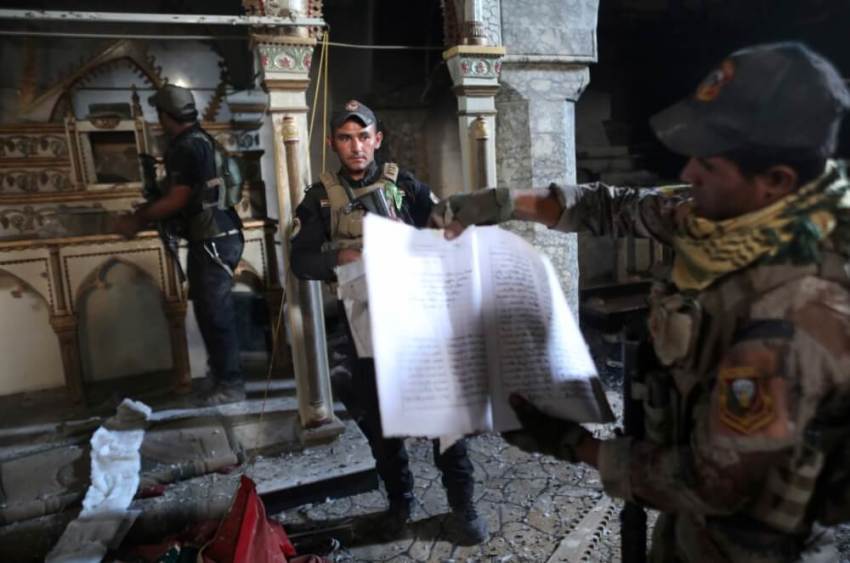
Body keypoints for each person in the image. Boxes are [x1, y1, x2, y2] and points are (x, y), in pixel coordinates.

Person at [430, 42, 850, 562]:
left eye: (709, 163)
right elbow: (618, 208)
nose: (689, 172)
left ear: (776, 182)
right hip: (691, 532)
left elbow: (710, 483)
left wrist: (573, 443)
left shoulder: (796, 314)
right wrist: (500, 203)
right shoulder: (729, 223)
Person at [290, 100, 488, 545]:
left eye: (364, 137)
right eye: (346, 138)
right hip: (363, 327)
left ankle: (465, 509)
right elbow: (300, 260)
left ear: (377, 139)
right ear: (333, 143)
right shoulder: (320, 199)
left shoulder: (407, 188)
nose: (356, 147)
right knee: (380, 423)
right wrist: (339, 256)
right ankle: (399, 506)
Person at [114, 84, 246, 406]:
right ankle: (221, 378)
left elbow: (178, 198)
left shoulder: (186, 146)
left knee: (215, 314)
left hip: (214, 238)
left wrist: (138, 218)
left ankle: (231, 384)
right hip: (217, 236)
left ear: (164, 115)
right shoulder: (199, 139)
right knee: (208, 310)